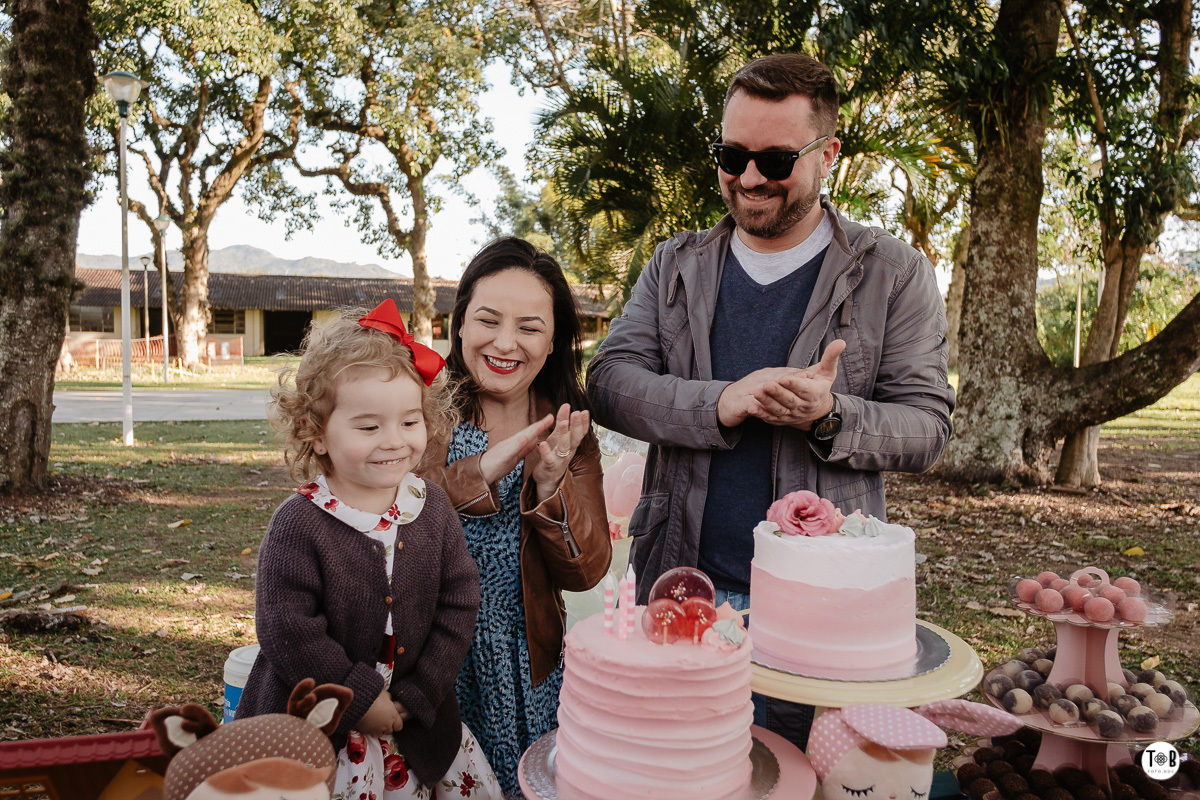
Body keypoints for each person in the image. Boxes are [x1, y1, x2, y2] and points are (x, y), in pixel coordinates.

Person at [586, 53, 955, 746]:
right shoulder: (675, 265)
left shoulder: (893, 273)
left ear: (829, 155)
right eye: (732, 154)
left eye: (777, 160)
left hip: (819, 618)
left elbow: (927, 425)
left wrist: (832, 416)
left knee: (794, 774)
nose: (750, 178)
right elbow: (610, 380)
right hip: (681, 587)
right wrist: (720, 402)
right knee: (682, 772)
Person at [236, 299, 501, 799]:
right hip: (319, 734)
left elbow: (459, 601)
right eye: (368, 426)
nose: (394, 441)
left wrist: (420, 693)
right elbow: (286, 628)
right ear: (316, 433)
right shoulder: (300, 524)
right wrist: (359, 697)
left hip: (418, 723)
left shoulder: (432, 507)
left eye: (409, 421)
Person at [421, 236, 612, 797]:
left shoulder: (568, 433)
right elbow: (389, 513)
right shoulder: (422, 414)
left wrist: (552, 489)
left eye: (529, 327)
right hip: (428, 657)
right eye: (488, 320)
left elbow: (587, 571)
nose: (506, 343)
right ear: (459, 326)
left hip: (527, 662)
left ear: (553, 342)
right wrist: (480, 471)